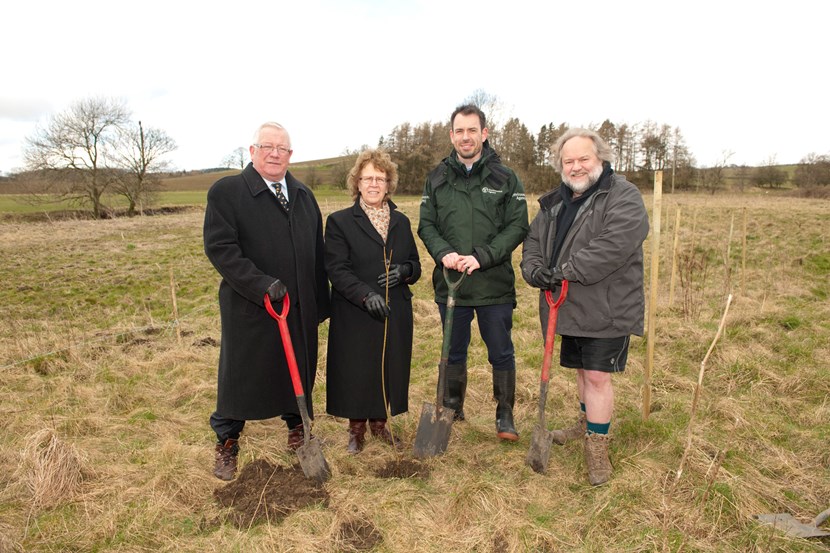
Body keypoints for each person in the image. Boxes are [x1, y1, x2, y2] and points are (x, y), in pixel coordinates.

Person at [520, 128, 648, 485]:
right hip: (567, 305)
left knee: (596, 376)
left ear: (601, 159)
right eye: (568, 161)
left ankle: (597, 447)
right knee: (581, 372)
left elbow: (614, 245)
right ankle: (584, 423)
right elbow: (533, 241)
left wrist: (565, 272)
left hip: (608, 306)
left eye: (583, 159)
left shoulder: (622, 196)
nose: (576, 167)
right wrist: (533, 269)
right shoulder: (554, 203)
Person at [203, 122, 330, 481]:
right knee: (242, 374)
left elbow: (316, 253)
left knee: (297, 369)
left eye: (282, 149)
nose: (275, 153)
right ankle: (227, 441)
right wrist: (261, 284)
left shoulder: (304, 195)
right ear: (252, 151)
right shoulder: (227, 192)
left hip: (298, 305)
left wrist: (320, 304)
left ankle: (298, 428)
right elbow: (221, 249)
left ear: (291, 156)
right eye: (268, 146)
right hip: (252, 306)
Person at [418, 104, 529, 442]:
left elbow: (516, 226)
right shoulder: (437, 178)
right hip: (452, 285)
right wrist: (444, 254)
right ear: (452, 136)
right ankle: (451, 405)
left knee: (501, 350)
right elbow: (427, 224)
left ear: (484, 133)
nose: (465, 137)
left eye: (472, 130)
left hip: (492, 283)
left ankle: (504, 412)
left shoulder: (505, 178)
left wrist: (482, 256)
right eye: (459, 131)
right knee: (452, 350)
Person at [324, 149, 421, 453]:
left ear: (388, 183)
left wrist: (404, 271)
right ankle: (356, 430)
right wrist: (365, 295)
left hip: (395, 311)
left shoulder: (401, 221)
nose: (374, 184)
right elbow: (336, 270)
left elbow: (415, 265)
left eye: (380, 178)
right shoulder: (340, 222)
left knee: (389, 364)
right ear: (357, 182)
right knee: (357, 366)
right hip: (356, 309)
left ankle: (379, 424)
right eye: (368, 178)